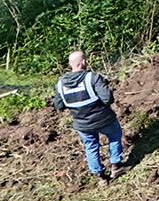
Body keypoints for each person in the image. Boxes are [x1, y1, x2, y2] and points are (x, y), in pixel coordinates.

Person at [49, 51, 126, 181]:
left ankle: (100, 177)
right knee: (114, 136)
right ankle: (116, 165)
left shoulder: (60, 84)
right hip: (104, 119)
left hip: (82, 124)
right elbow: (108, 99)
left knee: (90, 146)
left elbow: (59, 106)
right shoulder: (92, 77)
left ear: (70, 64)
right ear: (83, 61)